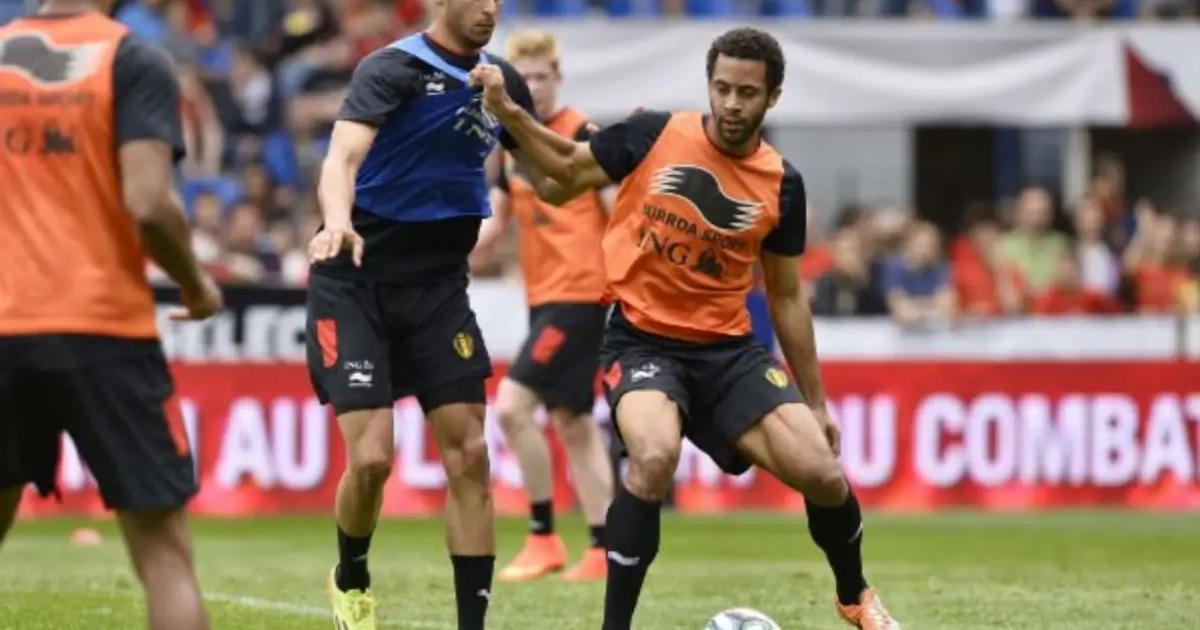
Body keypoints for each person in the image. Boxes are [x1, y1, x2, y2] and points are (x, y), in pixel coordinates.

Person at [470, 27, 902, 630]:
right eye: (722, 88)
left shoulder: (783, 184)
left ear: (772, 98)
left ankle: (854, 596)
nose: (731, 103)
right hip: (641, 339)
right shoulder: (651, 135)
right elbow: (563, 171)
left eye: (746, 93)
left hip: (728, 352)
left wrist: (816, 401)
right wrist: (508, 112)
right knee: (652, 457)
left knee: (824, 475)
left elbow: (785, 297)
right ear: (709, 85)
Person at [303, 0, 542, 627]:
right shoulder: (391, 68)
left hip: (438, 288)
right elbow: (341, 159)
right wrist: (336, 220)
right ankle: (351, 574)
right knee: (372, 459)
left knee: (470, 455)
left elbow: (552, 175)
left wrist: (603, 151)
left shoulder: (501, 83)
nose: (489, 7)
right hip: (355, 279)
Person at [0, 3, 223, 630]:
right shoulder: (131, 57)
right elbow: (149, 202)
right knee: (164, 556)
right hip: (103, 327)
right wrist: (196, 283)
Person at [471, 28, 614, 584]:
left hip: (580, 294)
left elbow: (617, 209)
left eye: (541, 76)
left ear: (558, 78)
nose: (532, 86)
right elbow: (493, 225)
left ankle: (542, 535)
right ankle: (603, 548)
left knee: (511, 407)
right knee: (572, 422)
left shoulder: (582, 134)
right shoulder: (511, 147)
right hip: (543, 296)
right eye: (523, 77)